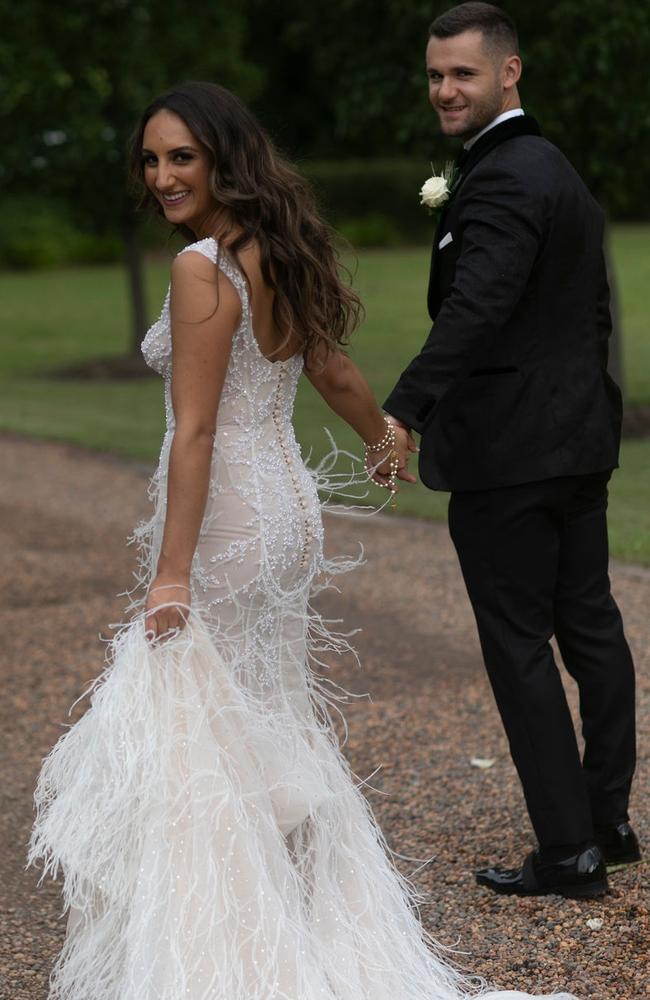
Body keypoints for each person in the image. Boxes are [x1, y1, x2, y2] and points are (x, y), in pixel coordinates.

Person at [28, 80, 581, 1000]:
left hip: (233, 515)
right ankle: (291, 915)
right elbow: (327, 366)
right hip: (285, 508)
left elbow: (197, 430)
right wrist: (380, 437)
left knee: (203, 719)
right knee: (262, 709)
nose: (162, 175)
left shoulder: (204, 265)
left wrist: (170, 574)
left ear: (222, 159)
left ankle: (230, 948)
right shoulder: (274, 247)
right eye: (153, 159)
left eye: (182, 158)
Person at [384, 2, 640, 900]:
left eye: (463, 73)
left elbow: (477, 306)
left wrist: (405, 408)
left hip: (512, 455)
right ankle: (606, 824)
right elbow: (586, 311)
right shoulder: (552, 168)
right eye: (435, 74)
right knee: (592, 629)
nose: (445, 89)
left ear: (509, 72)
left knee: (521, 646)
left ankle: (568, 850)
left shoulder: (499, 179)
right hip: (576, 444)